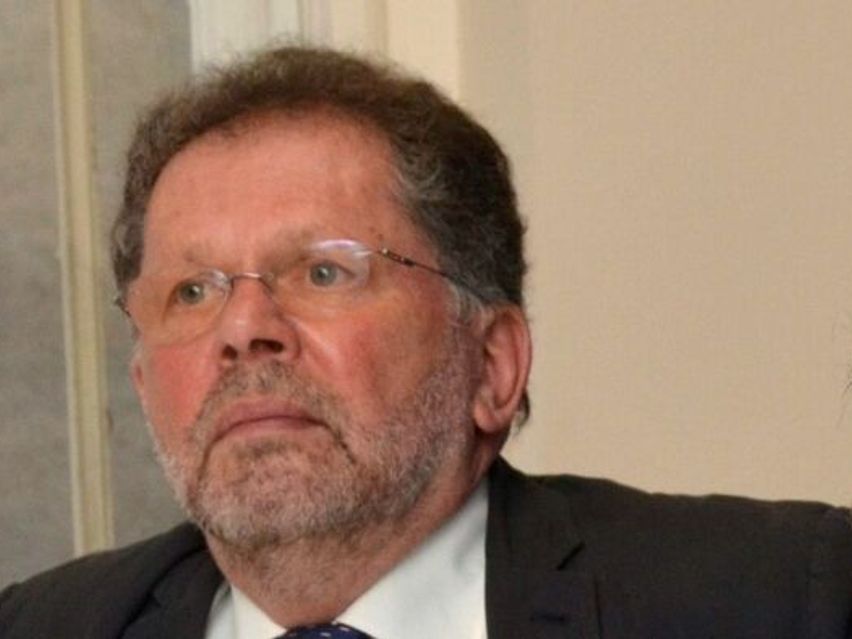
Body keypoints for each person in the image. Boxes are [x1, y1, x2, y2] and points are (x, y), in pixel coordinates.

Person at [1, 45, 851, 639]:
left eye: (323, 271)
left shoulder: (781, 600)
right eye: (191, 290)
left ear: (493, 365)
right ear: (143, 382)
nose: (243, 328)